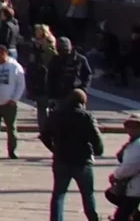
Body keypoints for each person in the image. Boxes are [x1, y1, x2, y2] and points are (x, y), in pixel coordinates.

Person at [39, 87, 105, 221]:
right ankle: (93, 218)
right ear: (83, 102)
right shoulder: (86, 117)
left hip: (61, 159)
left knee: (58, 194)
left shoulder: (55, 115)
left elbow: (44, 136)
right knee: (88, 194)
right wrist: (97, 151)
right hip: (82, 160)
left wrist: (53, 149)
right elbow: (97, 140)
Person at [0, 43, 26, 159]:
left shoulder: (15, 67)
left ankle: (12, 150)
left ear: (3, 53)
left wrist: (14, 99)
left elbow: (20, 84)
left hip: (9, 103)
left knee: (11, 128)